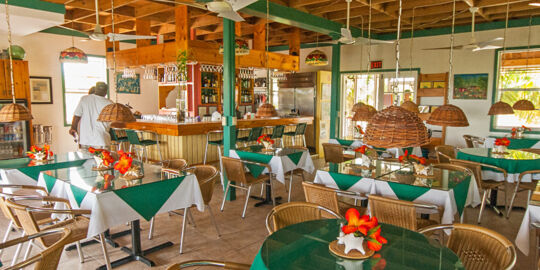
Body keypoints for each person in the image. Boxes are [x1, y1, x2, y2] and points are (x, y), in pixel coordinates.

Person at [69, 82, 113, 150]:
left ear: (96, 89)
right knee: (102, 160)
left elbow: (77, 115)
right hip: (101, 140)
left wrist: (73, 128)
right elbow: (112, 120)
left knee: (87, 160)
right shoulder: (110, 103)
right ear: (106, 92)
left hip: (85, 141)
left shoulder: (84, 99)